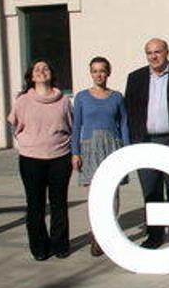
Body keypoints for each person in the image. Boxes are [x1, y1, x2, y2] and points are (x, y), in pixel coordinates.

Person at [125, 38, 169, 249]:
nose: (153, 56)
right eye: (149, 53)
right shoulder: (135, 78)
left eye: (157, 52)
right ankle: (154, 236)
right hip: (146, 142)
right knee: (150, 191)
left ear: (167, 52)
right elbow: (130, 112)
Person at [8, 59, 73, 261]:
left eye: (45, 68)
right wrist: (30, 143)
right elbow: (15, 126)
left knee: (59, 204)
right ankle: (39, 247)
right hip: (31, 160)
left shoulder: (63, 101)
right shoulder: (22, 101)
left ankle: (60, 245)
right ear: (31, 76)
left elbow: (71, 125)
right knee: (35, 205)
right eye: (37, 69)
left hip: (60, 158)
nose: (41, 71)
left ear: (51, 74)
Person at [71, 57, 131, 257]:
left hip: (112, 145)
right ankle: (97, 235)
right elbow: (76, 126)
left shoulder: (116, 97)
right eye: (95, 71)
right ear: (90, 73)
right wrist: (75, 152)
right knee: (95, 194)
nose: (99, 74)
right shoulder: (81, 97)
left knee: (113, 192)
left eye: (102, 71)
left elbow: (123, 124)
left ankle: (110, 233)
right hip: (90, 147)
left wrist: (126, 150)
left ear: (108, 73)